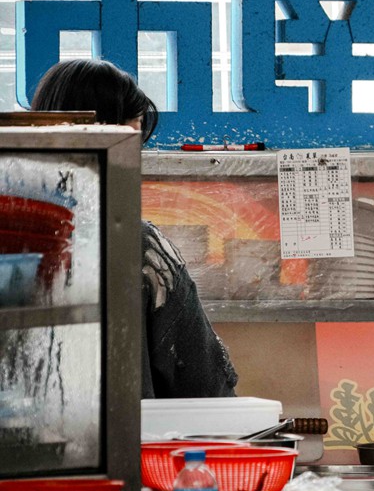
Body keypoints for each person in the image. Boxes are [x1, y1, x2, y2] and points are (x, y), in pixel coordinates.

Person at [31, 59, 239, 398]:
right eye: (133, 141)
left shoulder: (16, 235)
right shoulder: (139, 248)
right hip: (122, 448)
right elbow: (204, 385)